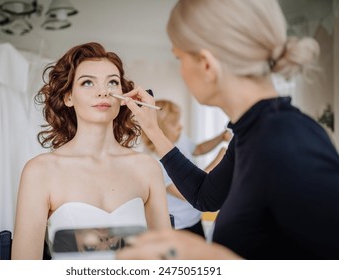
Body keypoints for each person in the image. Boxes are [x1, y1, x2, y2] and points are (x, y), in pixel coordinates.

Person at [117, 0, 339, 260]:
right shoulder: (249, 135)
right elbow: (204, 196)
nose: (181, 70)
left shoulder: (287, 140)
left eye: (179, 58)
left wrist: (211, 258)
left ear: (207, 64)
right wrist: (153, 130)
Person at [11, 42, 171, 260]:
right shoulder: (40, 171)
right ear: (68, 97)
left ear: (124, 97)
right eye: (87, 82)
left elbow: (166, 258)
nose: (103, 92)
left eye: (112, 83)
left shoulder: (148, 168)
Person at [141, 99, 231, 238]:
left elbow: (199, 148)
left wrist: (220, 138)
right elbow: (188, 192)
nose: (180, 127)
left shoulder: (179, 140)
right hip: (179, 225)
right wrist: (220, 159)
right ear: (160, 129)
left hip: (195, 217)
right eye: (174, 123)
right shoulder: (156, 162)